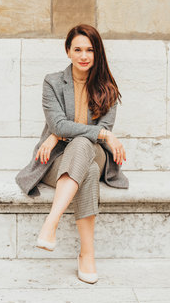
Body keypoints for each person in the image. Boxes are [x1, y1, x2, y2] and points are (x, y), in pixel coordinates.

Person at [15, 24, 129, 284]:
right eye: (77, 49)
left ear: (97, 52)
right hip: (55, 160)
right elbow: (61, 124)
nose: (84, 55)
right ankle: (87, 254)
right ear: (68, 51)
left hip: (95, 153)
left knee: (82, 145)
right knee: (86, 171)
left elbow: (79, 129)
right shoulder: (52, 82)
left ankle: (50, 222)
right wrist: (98, 134)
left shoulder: (107, 88)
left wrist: (63, 133)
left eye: (89, 50)